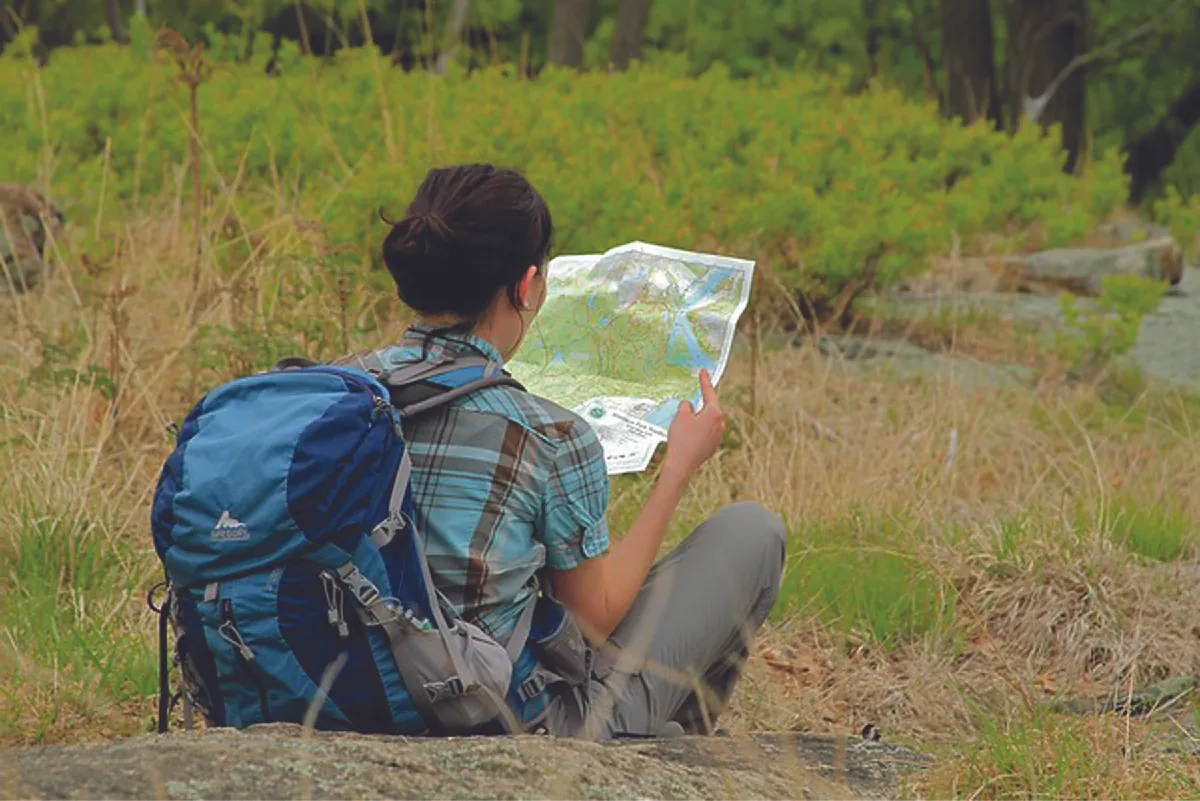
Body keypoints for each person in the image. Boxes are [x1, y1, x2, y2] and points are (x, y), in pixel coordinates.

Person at [357, 163, 786, 740]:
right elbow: (595, 619)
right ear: (527, 286)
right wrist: (677, 468)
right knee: (751, 532)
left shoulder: (346, 391)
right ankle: (660, 759)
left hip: (357, 686)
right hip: (500, 720)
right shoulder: (547, 433)